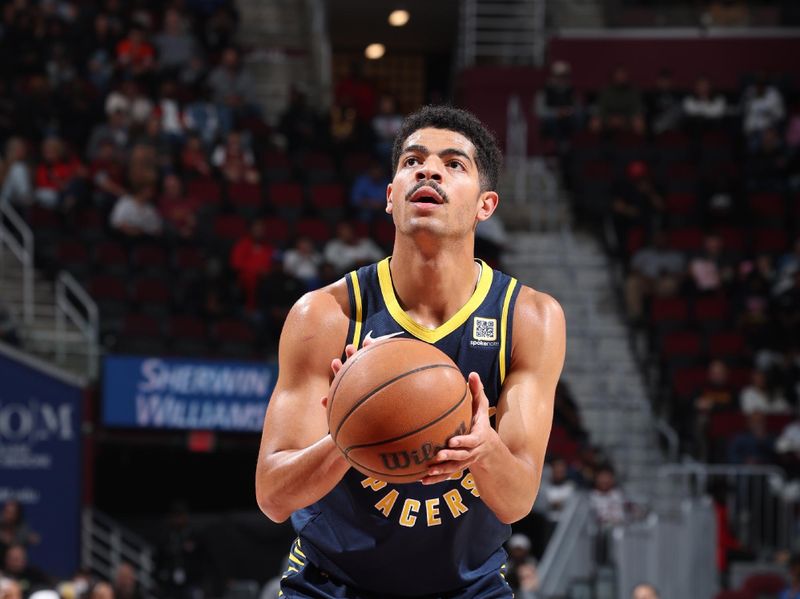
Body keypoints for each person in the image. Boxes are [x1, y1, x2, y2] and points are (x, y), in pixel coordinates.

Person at [255, 106, 566, 598]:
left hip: (466, 588)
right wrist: (344, 439)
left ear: (486, 205)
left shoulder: (529, 318)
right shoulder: (325, 316)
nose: (428, 170)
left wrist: (483, 449)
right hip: (333, 584)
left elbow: (517, 500)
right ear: (390, 196)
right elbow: (273, 496)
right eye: (412, 161)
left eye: (454, 164)